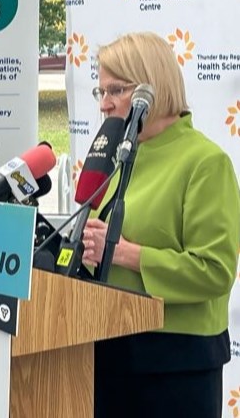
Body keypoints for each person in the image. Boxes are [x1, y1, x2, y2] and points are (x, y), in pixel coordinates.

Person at [81, 32, 240, 418]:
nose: (104, 104)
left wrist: (126, 254)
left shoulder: (205, 162)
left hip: (176, 366)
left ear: (151, 87)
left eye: (115, 90)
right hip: (109, 352)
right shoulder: (119, 160)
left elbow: (215, 271)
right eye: (99, 92)